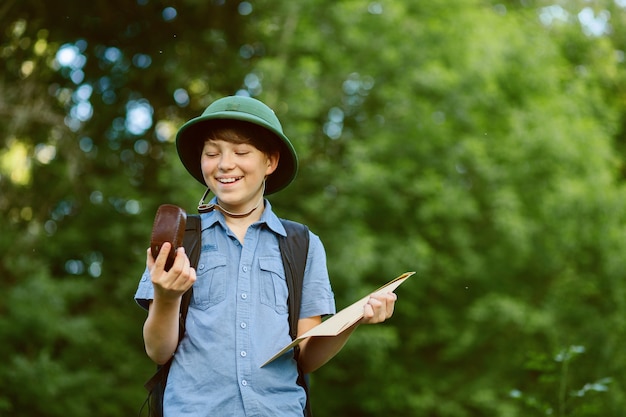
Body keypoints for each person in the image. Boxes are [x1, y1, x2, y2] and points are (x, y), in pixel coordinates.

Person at [134, 95, 398, 416]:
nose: (224, 164)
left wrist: (357, 318)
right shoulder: (180, 239)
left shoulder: (301, 244)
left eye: (241, 152)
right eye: (212, 153)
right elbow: (158, 351)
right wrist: (165, 296)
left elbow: (306, 356)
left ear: (270, 162)